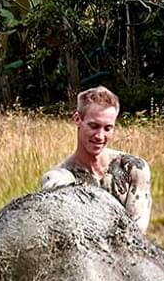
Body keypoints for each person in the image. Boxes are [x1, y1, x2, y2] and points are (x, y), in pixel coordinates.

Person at [40, 86, 153, 232]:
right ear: (77, 119)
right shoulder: (59, 178)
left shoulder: (133, 169)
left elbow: (137, 236)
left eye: (107, 128)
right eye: (94, 126)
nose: (100, 136)